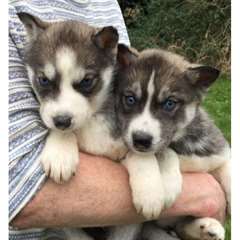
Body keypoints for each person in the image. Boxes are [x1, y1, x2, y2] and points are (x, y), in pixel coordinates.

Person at [9, 0, 226, 239]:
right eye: (45, 82)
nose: (63, 109)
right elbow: (17, 189)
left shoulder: (106, 4)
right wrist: (61, 136)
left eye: (85, 82)